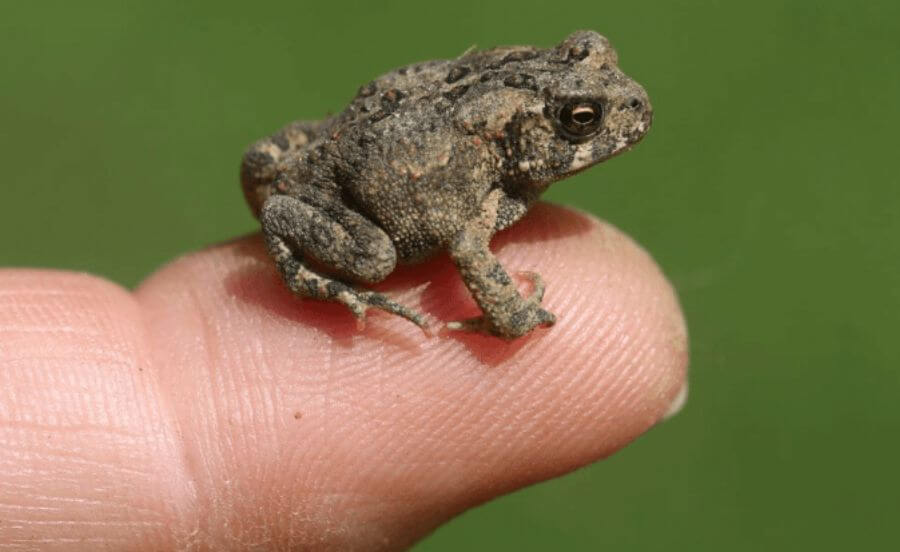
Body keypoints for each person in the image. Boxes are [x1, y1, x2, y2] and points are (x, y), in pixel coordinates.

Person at [0, 204, 687, 550]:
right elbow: (470, 243)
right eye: (578, 125)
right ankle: (318, 278)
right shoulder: (488, 191)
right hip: (369, 210)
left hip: (347, 147)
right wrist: (510, 312)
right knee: (373, 255)